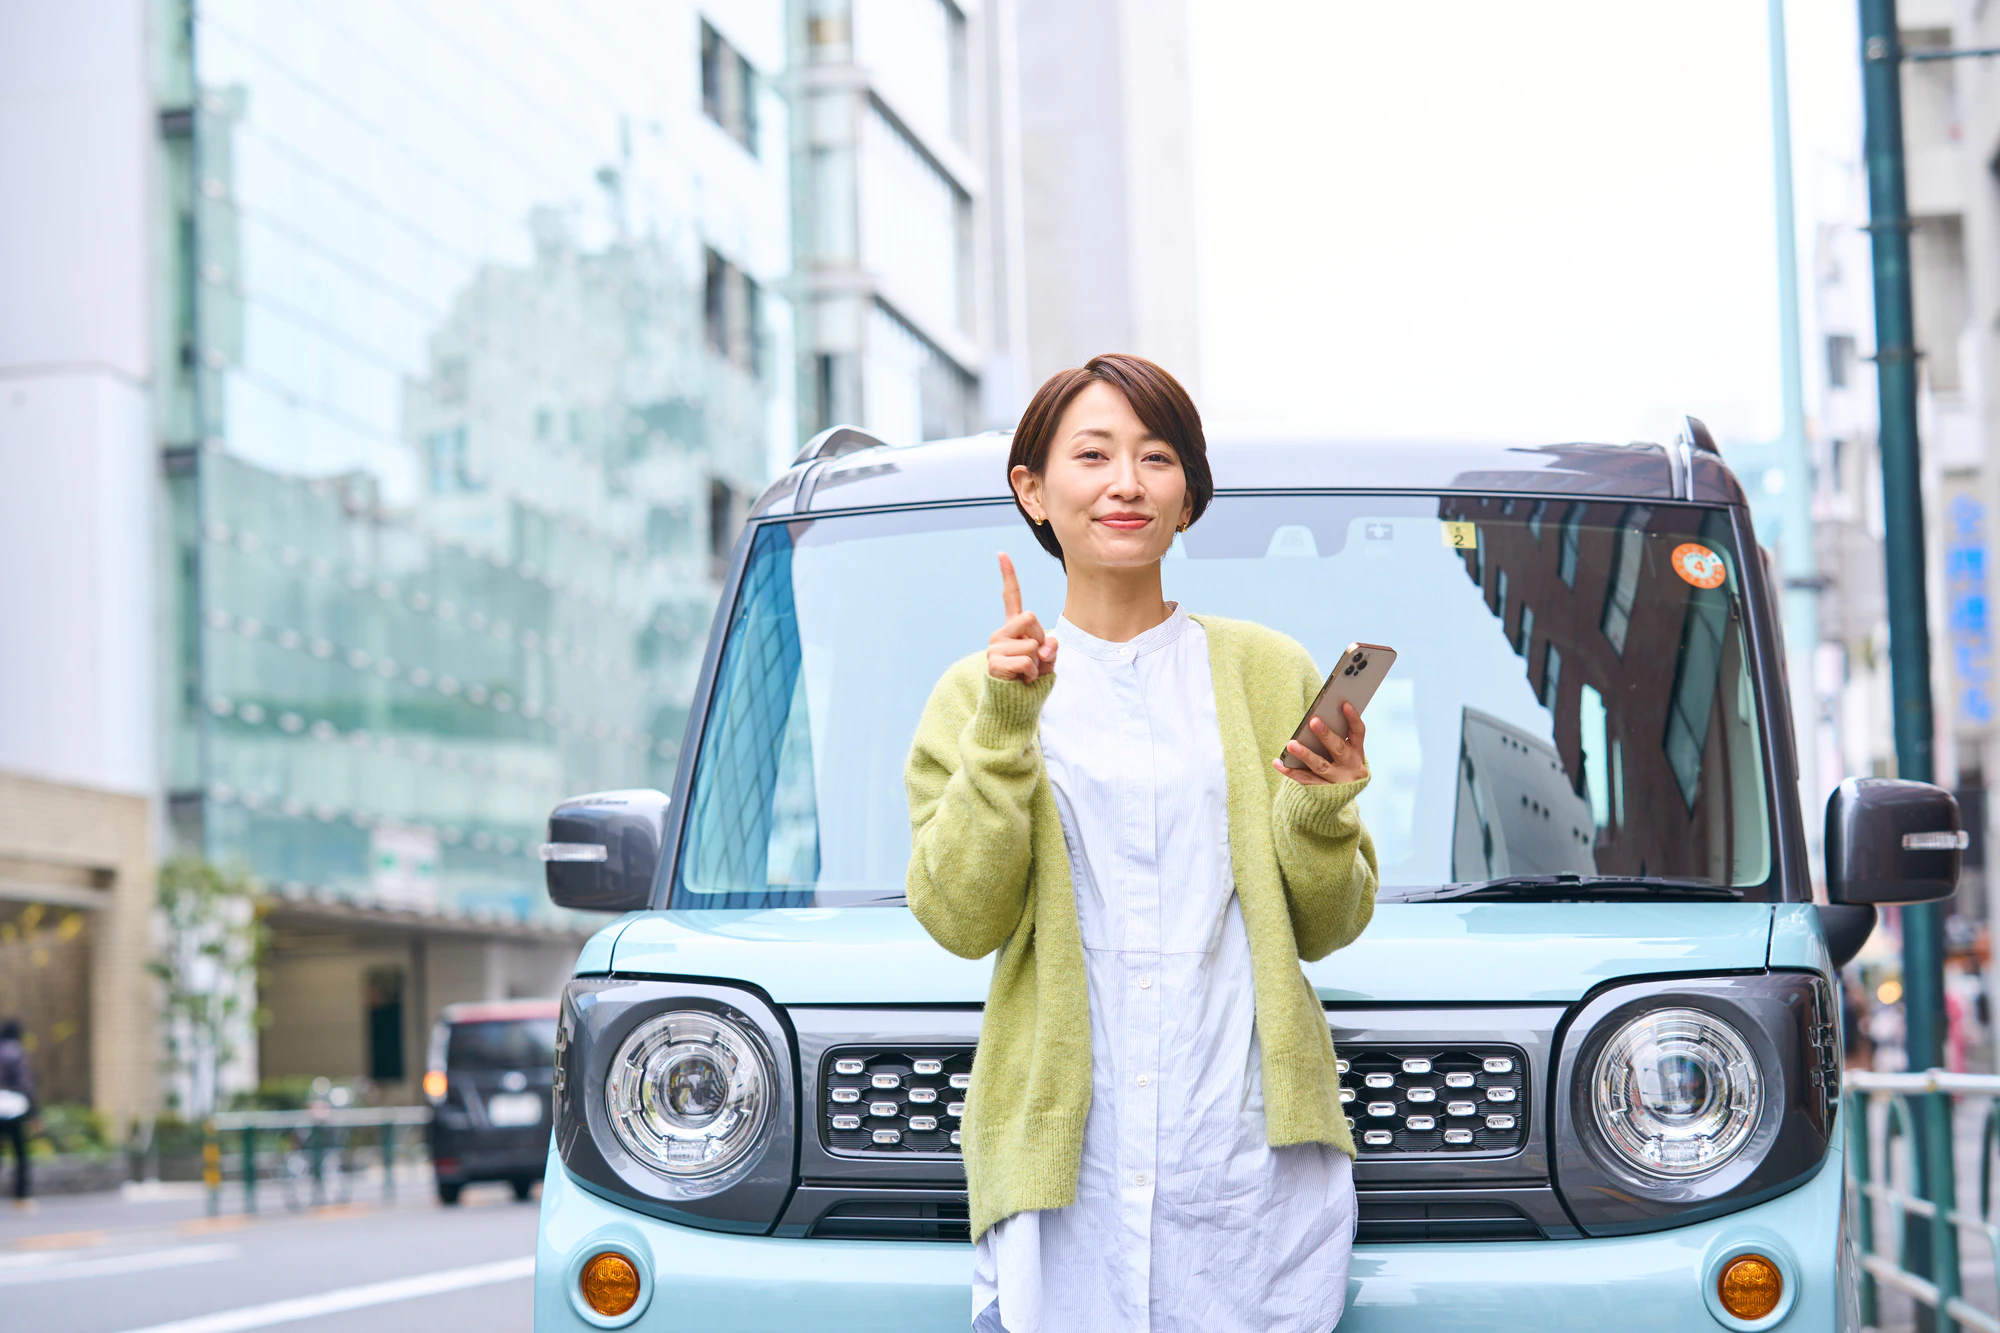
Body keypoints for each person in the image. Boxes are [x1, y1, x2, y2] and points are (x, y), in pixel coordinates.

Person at [904, 355, 1378, 1332]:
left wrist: (1321, 809)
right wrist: (1004, 723)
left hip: (1248, 1166)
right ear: (1031, 490)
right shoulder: (975, 692)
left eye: (1155, 457)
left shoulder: (1264, 669)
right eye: (1092, 454)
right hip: (1068, 1178)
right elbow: (958, 914)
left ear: (1188, 499)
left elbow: (1329, 923)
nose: (1125, 483)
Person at [0, 1018, 34, 1211]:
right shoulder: (17, 1052)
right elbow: (26, 1084)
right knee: (20, 1155)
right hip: (14, 1109)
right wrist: (34, 1113)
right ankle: (21, 1197)